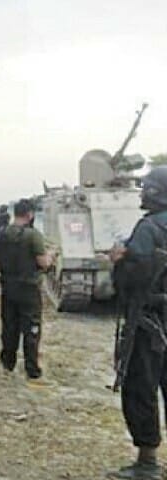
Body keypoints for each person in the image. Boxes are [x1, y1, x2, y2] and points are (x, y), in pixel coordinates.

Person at [107, 166, 167, 480]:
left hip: (150, 320)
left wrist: (119, 261)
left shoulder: (148, 229)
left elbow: (132, 281)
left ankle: (147, 462)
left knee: (140, 387)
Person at [0, 199, 52, 380]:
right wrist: (52, 255)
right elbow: (43, 263)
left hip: (8, 287)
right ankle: (32, 368)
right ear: (30, 214)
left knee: (9, 326)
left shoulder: (3, 233)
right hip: (29, 288)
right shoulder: (33, 235)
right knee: (31, 328)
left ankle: (8, 362)